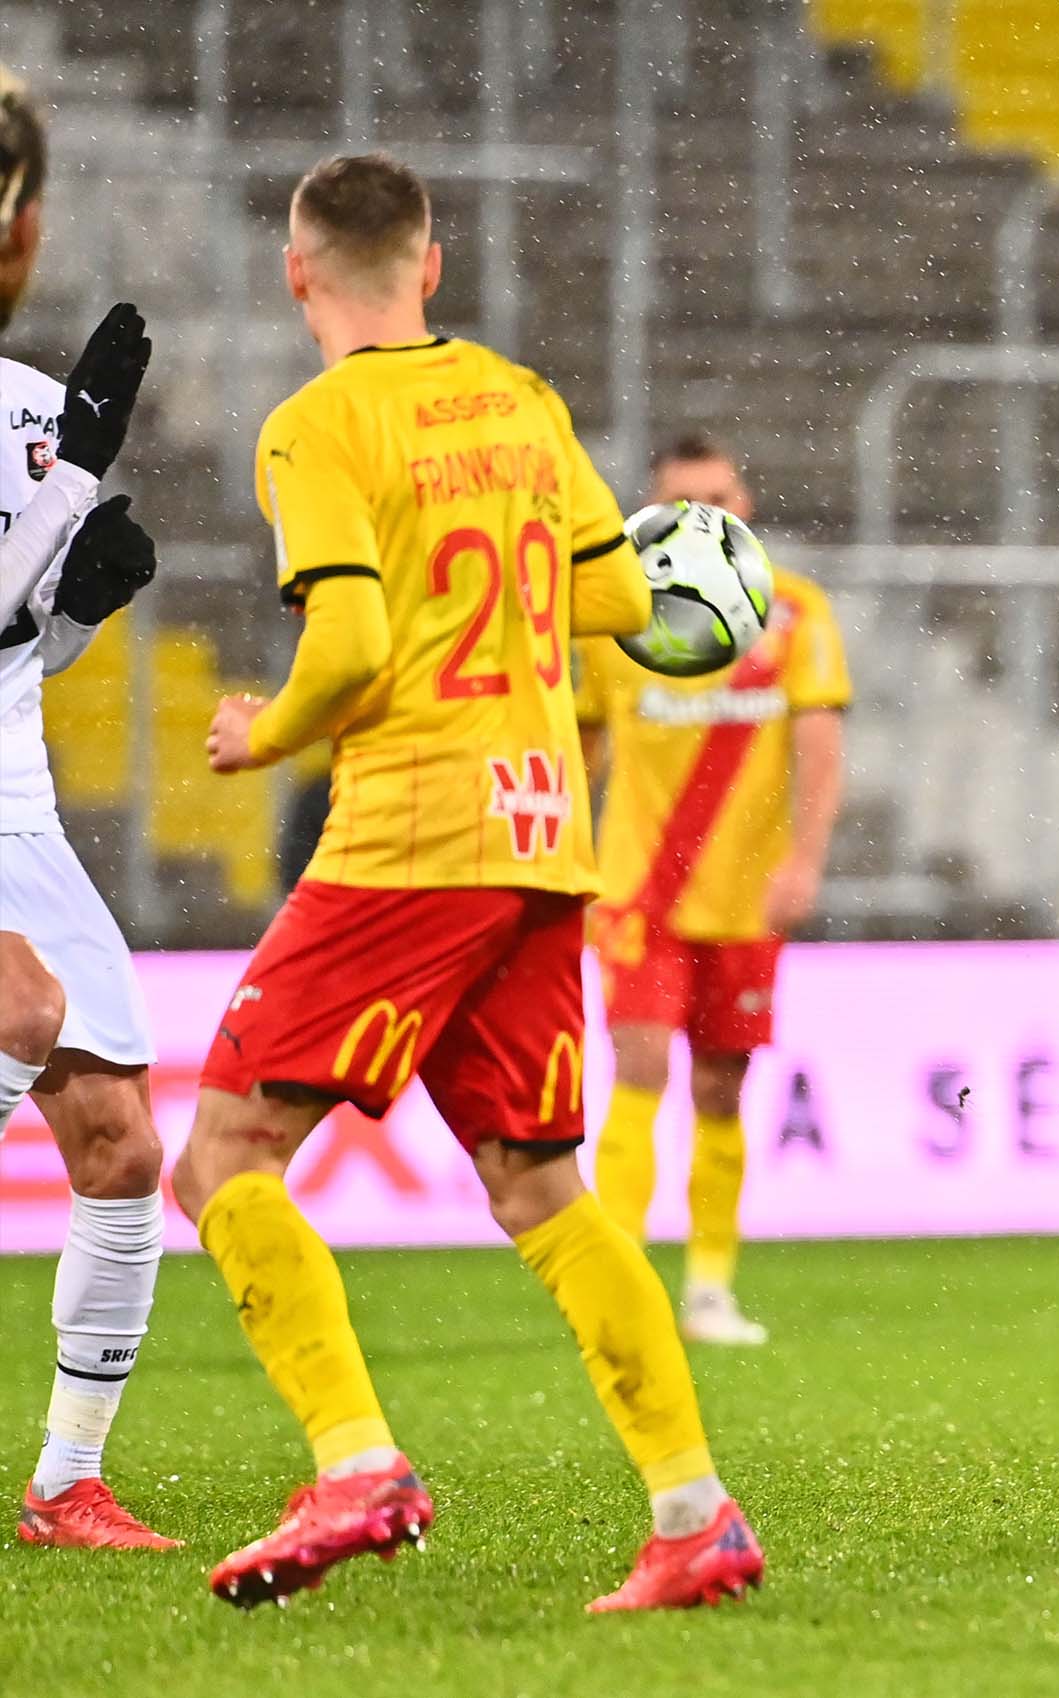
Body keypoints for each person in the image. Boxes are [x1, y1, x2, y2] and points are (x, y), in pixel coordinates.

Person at [177, 152, 764, 1612]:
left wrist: (268, 732)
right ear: (430, 266)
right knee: (539, 1181)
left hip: (412, 832)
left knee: (226, 1153)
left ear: (298, 273)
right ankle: (693, 1511)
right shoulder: (522, 398)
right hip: (543, 825)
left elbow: (357, 649)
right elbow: (623, 601)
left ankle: (355, 1460)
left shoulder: (317, 427)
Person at [0, 69, 175, 1552]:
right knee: (18, 1009)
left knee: (120, 1144)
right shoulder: (66, 440)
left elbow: (22, 635)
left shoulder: (36, 414)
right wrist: (73, 498)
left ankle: (66, 1484)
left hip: (18, 803)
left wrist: (84, 608)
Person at [579, 431, 848, 1347]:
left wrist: (804, 861)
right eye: (689, 502)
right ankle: (616, 1290)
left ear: (748, 503)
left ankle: (708, 1289)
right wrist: (564, 861)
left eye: (724, 499)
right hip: (637, 893)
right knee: (642, 1067)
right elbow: (582, 750)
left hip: (743, 896)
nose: (712, 517)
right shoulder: (615, 616)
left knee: (723, 1091)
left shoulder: (796, 614)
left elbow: (819, 747)